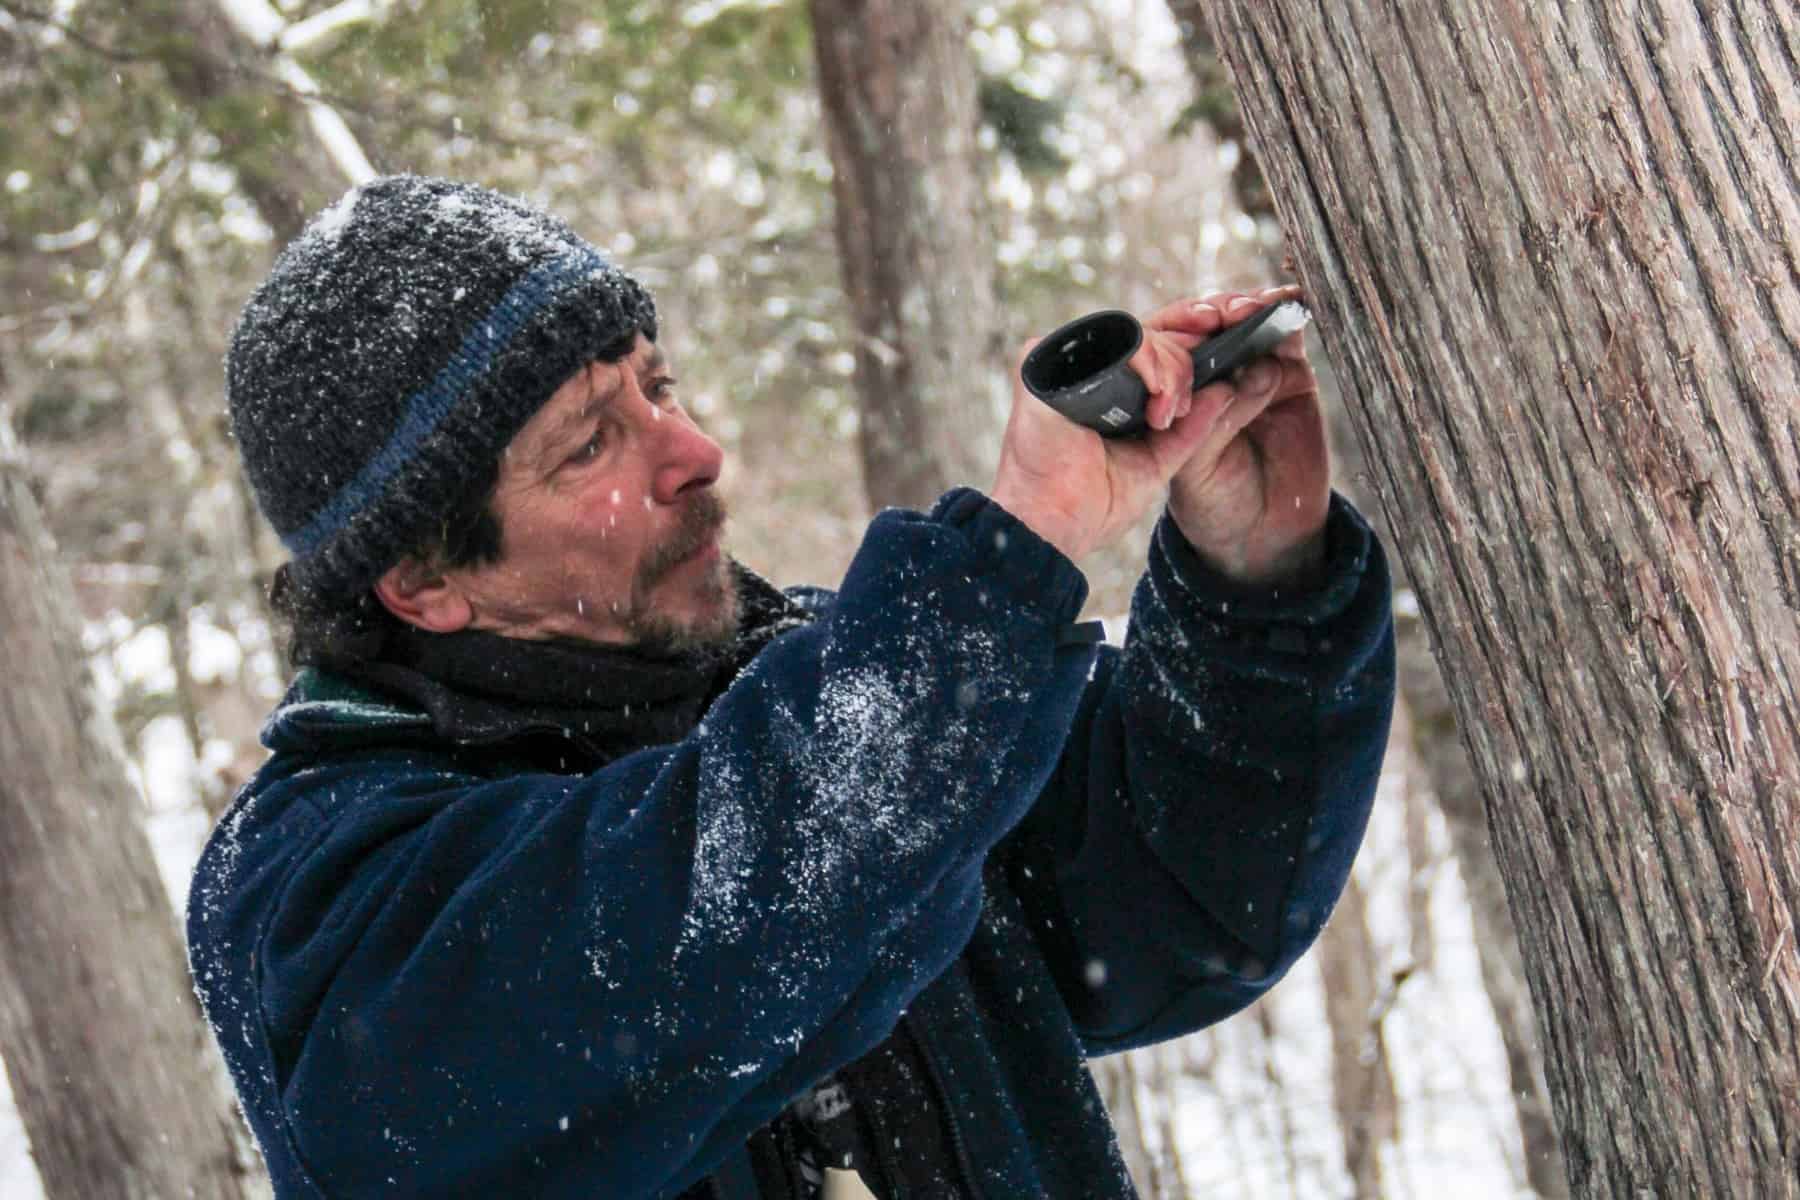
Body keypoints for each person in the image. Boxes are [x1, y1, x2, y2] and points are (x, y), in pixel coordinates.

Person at [187, 174, 1395, 1200]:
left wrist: (1257, 572)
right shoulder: (317, 900)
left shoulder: (829, 707)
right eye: (590, 444)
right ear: (425, 581)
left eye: (656, 388)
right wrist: (1012, 547)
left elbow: (1178, 904)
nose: (695, 452)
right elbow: (697, 935)